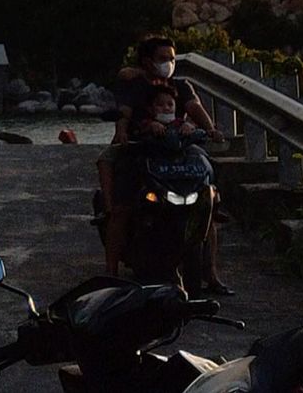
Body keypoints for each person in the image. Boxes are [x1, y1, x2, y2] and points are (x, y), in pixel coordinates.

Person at [99, 35, 231, 293]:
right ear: (147, 61)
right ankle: (111, 272)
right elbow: (124, 115)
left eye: (171, 58)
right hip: (142, 150)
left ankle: (211, 274)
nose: (169, 63)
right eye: (163, 58)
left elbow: (195, 109)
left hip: (178, 152)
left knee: (207, 208)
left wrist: (211, 130)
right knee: (122, 207)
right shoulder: (134, 86)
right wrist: (123, 133)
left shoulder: (181, 86)